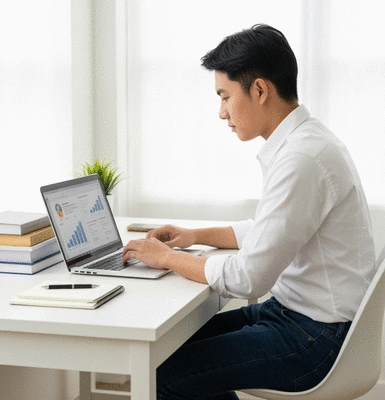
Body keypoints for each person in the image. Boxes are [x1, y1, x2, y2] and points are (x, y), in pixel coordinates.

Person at [123, 24, 376, 399]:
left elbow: (248, 278)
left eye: (225, 96)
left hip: (315, 337)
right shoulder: (305, 143)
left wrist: (168, 259)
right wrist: (194, 237)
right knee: (164, 350)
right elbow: (268, 229)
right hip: (297, 315)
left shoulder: (302, 158)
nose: (221, 112)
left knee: (164, 374)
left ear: (259, 90)